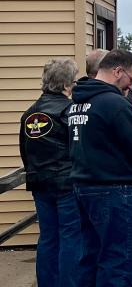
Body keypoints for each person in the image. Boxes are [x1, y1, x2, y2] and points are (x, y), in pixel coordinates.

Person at [69, 49, 132, 286]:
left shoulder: (78, 103)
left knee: (90, 257)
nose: (131, 86)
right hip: (114, 190)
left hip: (83, 186)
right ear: (117, 71)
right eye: (131, 79)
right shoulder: (114, 103)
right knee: (119, 261)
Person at [19, 58, 81, 287]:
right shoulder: (70, 111)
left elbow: (25, 151)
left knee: (47, 237)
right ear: (66, 85)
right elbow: (78, 149)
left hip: (39, 183)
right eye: (74, 82)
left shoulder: (29, 114)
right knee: (71, 237)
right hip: (67, 184)